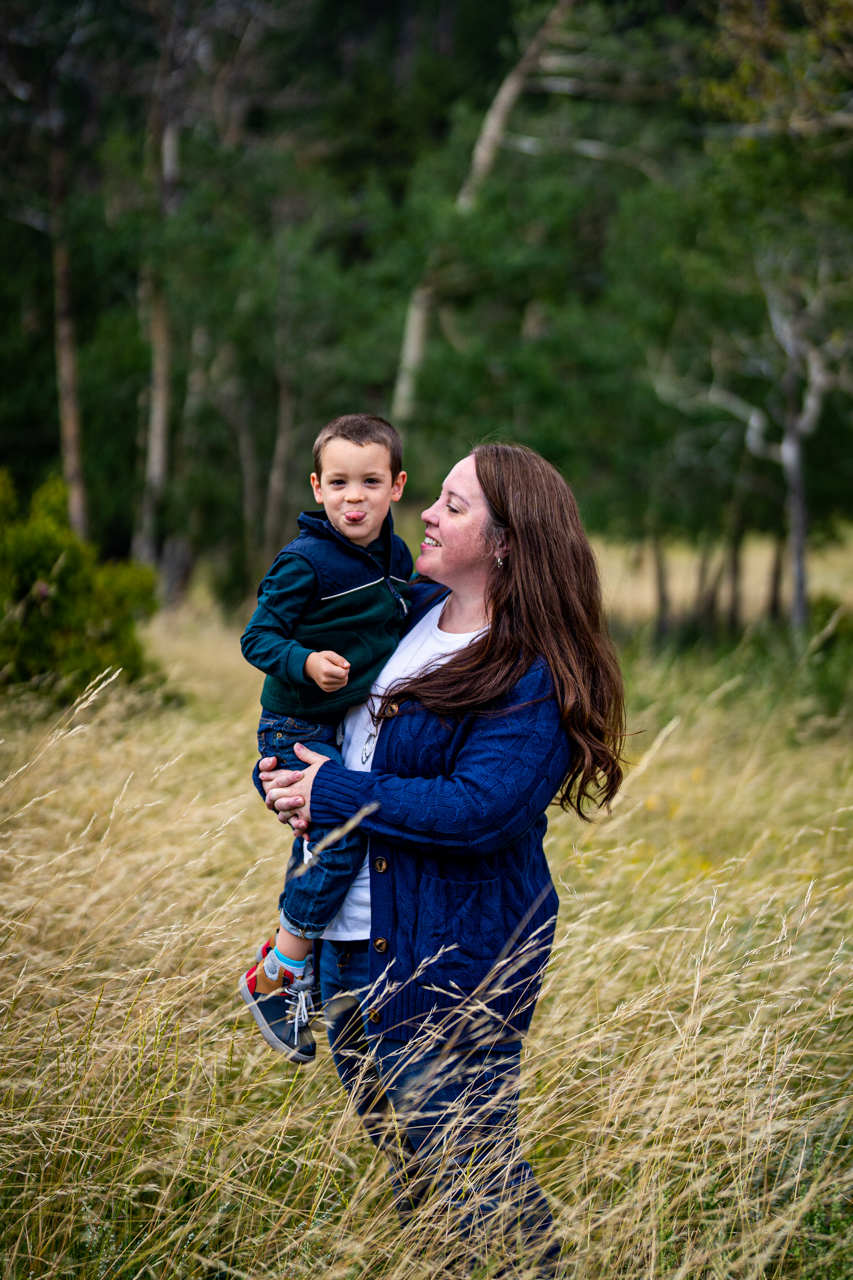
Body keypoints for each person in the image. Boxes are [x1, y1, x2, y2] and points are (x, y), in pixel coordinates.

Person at [257, 443, 625, 1274]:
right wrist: (280, 777)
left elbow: (477, 810)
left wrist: (335, 796)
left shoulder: (528, 668)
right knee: (419, 1183)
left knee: (478, 1187)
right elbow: (316, 730)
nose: (424, 510)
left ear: (504, 542)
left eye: (453, 505)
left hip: (451, 964)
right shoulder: (404, 613)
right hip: (351, 950)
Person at [238, 413, 411, 1062]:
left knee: (318, 843)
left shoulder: (395, 558)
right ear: (316, 487)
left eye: (369, 481)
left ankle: (297, 970)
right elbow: (257, 638)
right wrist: (305, 662)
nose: (353, 496)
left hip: (341, 725)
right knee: (340, 837)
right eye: (338, 482)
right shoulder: (304, 561)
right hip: (296, 724)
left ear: (396, 486)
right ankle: (279, 971)